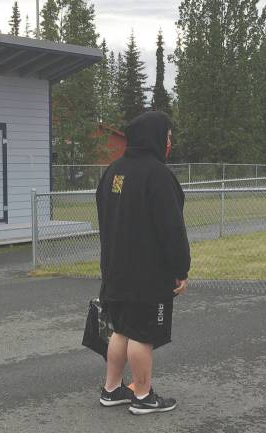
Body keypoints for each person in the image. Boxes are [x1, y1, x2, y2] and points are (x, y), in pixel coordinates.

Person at [95, 111, 190, 415]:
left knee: (121, 330)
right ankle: (143, 394)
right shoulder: (158, 175)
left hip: (114, 270)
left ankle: (111, 389)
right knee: (142, 335)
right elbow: (172, 228)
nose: (169, 143)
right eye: (168, 137)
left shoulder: (112, 171)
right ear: (156, 137)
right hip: (147, 273)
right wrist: (180, 269)